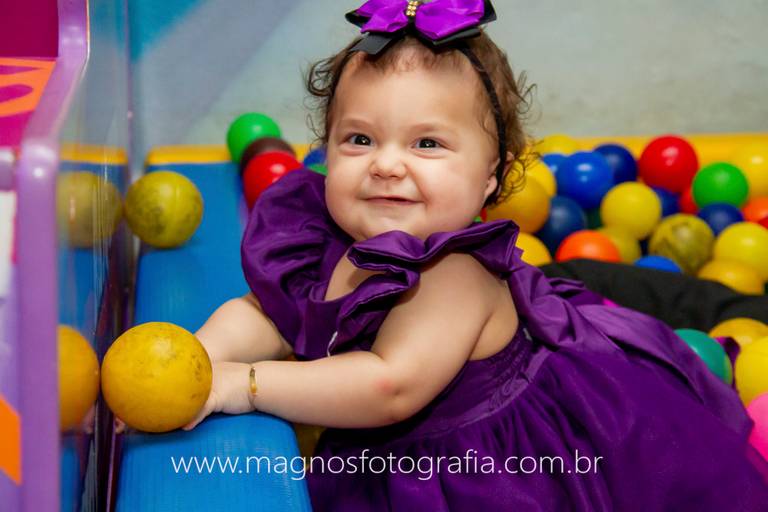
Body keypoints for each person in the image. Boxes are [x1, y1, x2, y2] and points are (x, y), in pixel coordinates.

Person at [184, 1, 768, 509]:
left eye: (427, 143)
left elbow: (389, 385)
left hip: (489, 470)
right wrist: (199, 360)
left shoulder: (451, 272)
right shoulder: (323, 236)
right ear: (327, 150)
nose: (386, 164)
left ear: (490, 176)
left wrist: (243, 384)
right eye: (359, 139)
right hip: (386, 455)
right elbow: (265, 314)